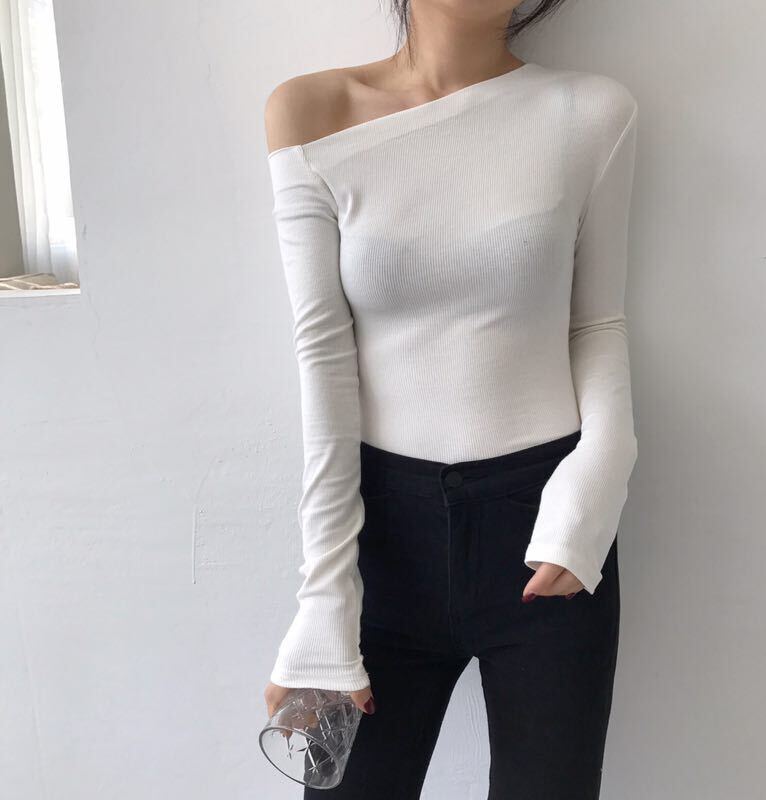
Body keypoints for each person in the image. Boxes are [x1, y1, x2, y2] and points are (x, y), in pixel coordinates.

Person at [262, 1, 639, 797]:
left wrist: (599, 475)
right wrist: (325, 594)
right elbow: (322, 356)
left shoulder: (592, 111)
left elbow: (596, 322)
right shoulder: (310, 112)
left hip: (549, 531)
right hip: (380, 544)